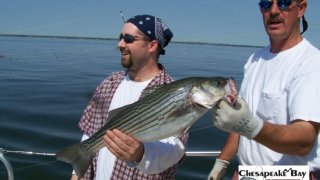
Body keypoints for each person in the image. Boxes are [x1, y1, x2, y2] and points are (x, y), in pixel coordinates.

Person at [209, 0, 320, 179]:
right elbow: (241, 122)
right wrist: (222, 163)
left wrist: (250, 127)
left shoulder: (312, 63)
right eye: (266, 4)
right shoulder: (255, 59)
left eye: (284, 3)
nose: (274, 11)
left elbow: (304, 141)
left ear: (301, 9)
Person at [71, 14, 188, 180]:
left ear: (152, 45)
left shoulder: (173, 92)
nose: (119, 44)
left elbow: (176, 149)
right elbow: (90, 134)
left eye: (128, 39)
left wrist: (141, 153)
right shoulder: (109, 82)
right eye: (120, 38)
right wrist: (76, 176)